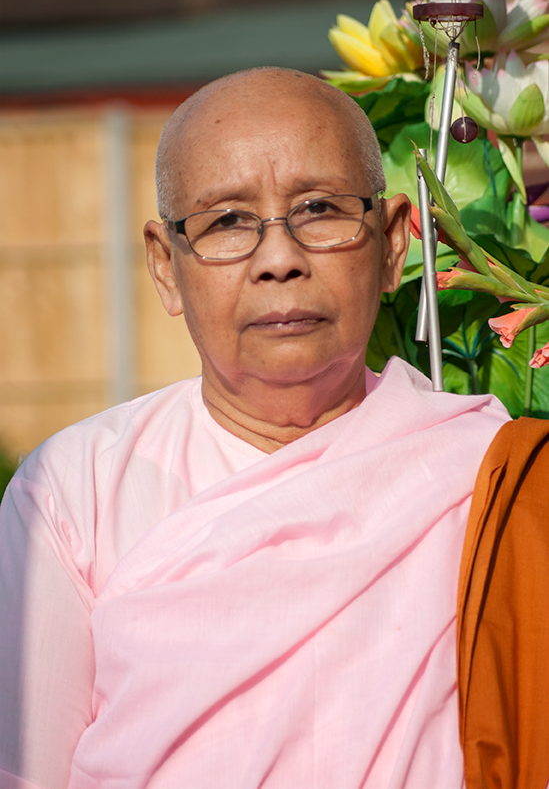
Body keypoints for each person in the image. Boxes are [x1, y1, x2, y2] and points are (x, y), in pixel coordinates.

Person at [0, 67, 518, 789]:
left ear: (395, 243)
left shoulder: (489, 476)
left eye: (320, 209)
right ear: (165, 268)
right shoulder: (72, 489)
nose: (279, 261)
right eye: (227, 222)